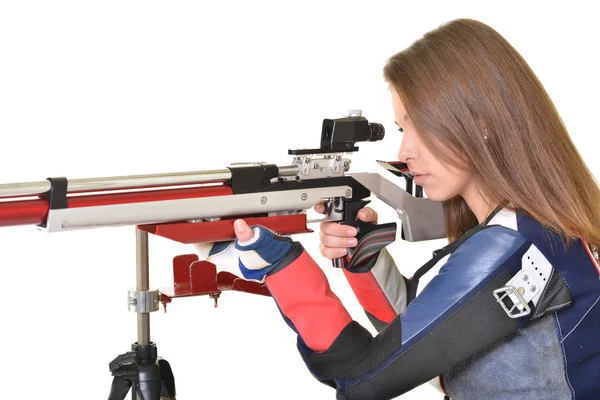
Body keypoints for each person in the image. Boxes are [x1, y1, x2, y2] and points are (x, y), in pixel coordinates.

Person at [195, 18, 600, 399]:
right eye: (404, 128)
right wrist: (366, 256)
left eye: (421, 126)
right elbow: (424, 336)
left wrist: (281, 265)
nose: (404, 151)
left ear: (481, 123)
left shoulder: (508, 246)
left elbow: (363, 380)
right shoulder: (538, 230)